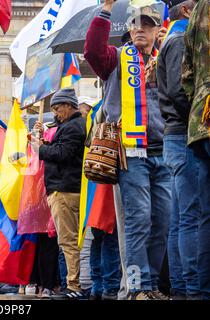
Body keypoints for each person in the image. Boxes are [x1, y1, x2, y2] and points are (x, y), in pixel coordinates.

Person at [85, 0, 171, 300]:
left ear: (159, 29)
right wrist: (106, 9)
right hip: (130, 155)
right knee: (138, 221)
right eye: (134, 23)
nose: (139, 29)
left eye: (146, 24)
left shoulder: (165, 60)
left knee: (162, 223)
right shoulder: (117, 58)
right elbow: (93, 51)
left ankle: (151, 285)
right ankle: (137, 287)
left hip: (163, 154)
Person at [157, 0, 200, 300]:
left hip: (175, 136)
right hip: (182, 134)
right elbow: (178, 91)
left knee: (181, 217)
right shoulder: (178, 39)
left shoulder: (172, 38)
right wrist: (199, 118)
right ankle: (191, 288)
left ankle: (183, 288)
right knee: (190, 216)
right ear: (187, 10)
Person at [31, 88, 87, 300]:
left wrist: (40, 150)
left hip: (65, 191)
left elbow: (64, 153)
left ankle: (74, 286)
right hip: (65, 189)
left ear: (69, 105)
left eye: (57, 108)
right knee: (69, 242)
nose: (55, 113)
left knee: (68, 242)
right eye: (53, 109)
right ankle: (72, 285)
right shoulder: (69, 125)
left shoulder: (73, 126)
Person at [182, 0, 210, 300]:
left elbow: (185, 73)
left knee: (205, 215)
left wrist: (200, 100)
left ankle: (202, 292)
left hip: (199, 123)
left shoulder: (199, 8)